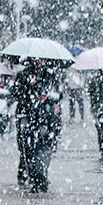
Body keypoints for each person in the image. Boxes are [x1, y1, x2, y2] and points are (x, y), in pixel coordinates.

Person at [13, 59, 63, 193]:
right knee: (29, 150)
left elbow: (58, 94)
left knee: (45, 150)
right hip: (29, 119)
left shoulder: (51, 75)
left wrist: (48, 97)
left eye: (40, 58)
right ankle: (34, 178)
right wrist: (29, 88)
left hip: (47, 120)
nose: (37, 61)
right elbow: (17, 95)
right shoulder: (23, 75)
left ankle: (42, 176)